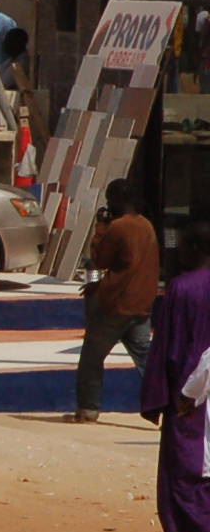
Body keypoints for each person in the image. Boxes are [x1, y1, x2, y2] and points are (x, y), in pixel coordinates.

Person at [141, 220, 210, 532]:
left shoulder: (182, 289)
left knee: (186, 469)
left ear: (195, 249)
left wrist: (156, 396)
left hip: (191, 394)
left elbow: (166, 346)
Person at [76, 176, 157, 425]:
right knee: (146, 360)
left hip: (115, 304)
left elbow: (100, 260)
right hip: (142, 304)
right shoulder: (146, 226)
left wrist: (100, 228)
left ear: (118, 201)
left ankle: (88, 409)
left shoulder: (118, 227)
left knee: (91, 358)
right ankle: (170, 405)